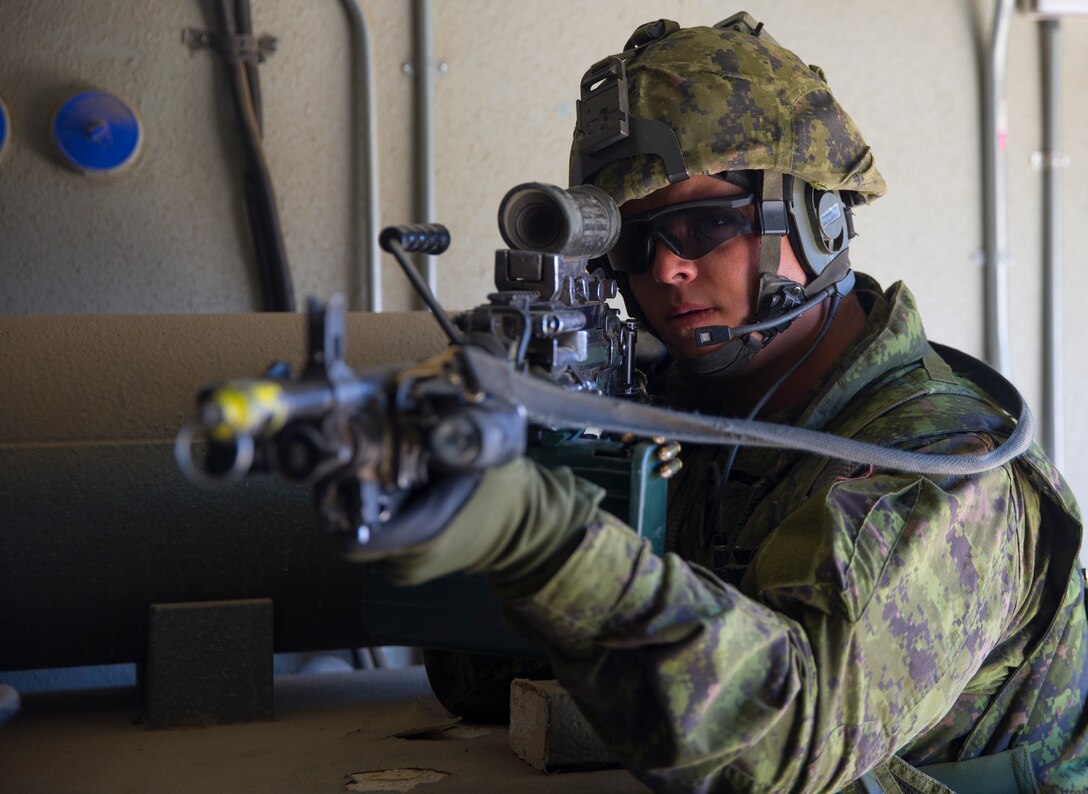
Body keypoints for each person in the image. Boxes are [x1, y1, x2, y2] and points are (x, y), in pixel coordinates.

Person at [369, 13, 1088, 794]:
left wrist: (546, 538)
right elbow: (491, 684)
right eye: (635, 244)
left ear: (819, 219)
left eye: (705, 225)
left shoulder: (945, 466)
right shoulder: (675, 415)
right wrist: (487, 477)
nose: (667, 270)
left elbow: (784, 742)